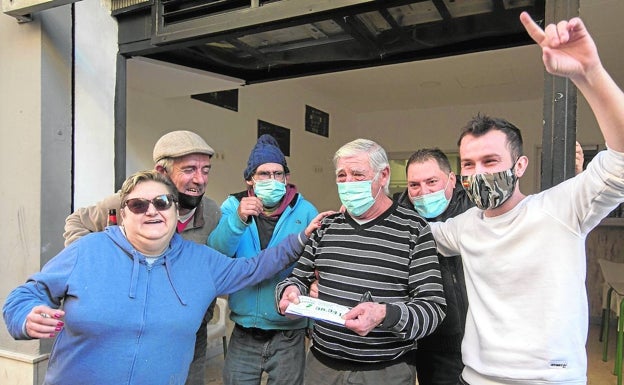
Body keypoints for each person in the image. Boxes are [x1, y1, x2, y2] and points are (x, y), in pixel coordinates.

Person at [429, 12, 624, 385]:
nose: (479, 173)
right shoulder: (464, 227)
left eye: (490, 161)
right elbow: (417, 234)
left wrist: (590, 72)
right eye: (469, 164)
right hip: (475, 377)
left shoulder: (561, 209)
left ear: (519, 165)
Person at [3, 170, 330, 385]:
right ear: (124, 213)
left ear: (176, 212)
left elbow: (255, 267)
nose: (151, 211)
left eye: (162, 202)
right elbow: (26, 295)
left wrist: (301, 238)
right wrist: (25, 316)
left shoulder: (201, 262)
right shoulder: (87, 250)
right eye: (138, 204)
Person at [276, 138, 446, 385]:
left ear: (384, 175)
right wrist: (289, 292)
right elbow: (296, 278)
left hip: (386, 371)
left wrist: (384, 314)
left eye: (357, 174)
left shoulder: (414, 230)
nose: (348, 183)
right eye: (341, 176)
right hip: (321, 367)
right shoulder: (326, 227)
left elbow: (433, 308)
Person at [63, 130, 221, 385]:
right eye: (190, 169)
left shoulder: (213, 213)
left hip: (189, 331)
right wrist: (102, 265)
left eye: (206, 170)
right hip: (129, 329)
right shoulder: (128, 203)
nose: (200, 179)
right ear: (161, 171)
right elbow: (76, 222)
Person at [207, 134, 319, 385]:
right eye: (264, 174)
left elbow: (314, 269)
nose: (272, 180)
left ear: (287, 178)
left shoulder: (305, 211)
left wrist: (311, 322)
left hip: (289, 331)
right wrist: (237, 219)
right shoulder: (232, 206)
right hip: (245, 330)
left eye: (278, 174)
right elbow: (217, 253)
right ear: (250, 179)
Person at [393, 148, 472, 385]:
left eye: (432, 182)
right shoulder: (397, 217)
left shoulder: (477, 210)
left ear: (451, 179)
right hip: (425, 339)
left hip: (478, 336)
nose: (423, 192)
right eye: (414, 185)